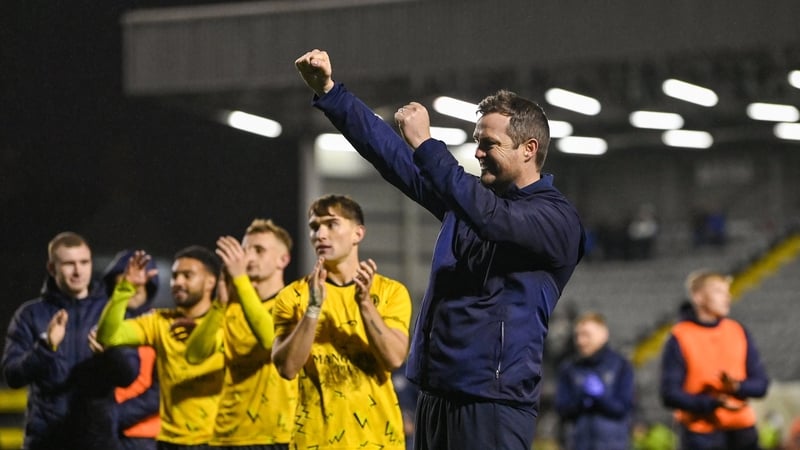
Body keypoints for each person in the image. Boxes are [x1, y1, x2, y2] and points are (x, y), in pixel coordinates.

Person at [294, 50, 585, 450]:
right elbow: (395, 157)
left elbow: (493, 220)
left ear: (529, 148)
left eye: (489, 143)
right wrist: (331, 93)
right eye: (477, 142)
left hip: (492, 402)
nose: (478, 152)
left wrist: (428, 145)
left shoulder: (555, 218)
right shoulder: (468, 202)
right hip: (434, 392)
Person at [271, 194, 412, 450]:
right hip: (314, 442)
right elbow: (287, 368)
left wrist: (365, 304)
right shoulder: (292, 296)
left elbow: (394, 358)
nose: (320, 234)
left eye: (331, 224)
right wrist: (313, 308)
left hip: (379, 440)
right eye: (314, 227)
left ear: (358, 234)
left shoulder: (391, 292)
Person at [1, 232, 139, 450]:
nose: (78, 271)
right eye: (69, 263)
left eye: (84, 262)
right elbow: (13, 376)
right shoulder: (30, 314)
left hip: (97, 441)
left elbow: (129, 374)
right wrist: (46, 347)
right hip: (46, 441)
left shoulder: (110, 311)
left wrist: (108, 353)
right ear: (51, 268)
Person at [97, 246, 226, 450]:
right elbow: (107, 336)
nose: (178, 282)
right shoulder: (159, 322)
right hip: (168, 442)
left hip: (215, 440)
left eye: (187, 275)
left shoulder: (226, 323)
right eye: (175, 276)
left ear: (211, 282)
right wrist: (125, 289)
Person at [185, 219, 297, 449]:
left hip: (276, 437)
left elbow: (270, 339)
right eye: (245, 250)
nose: (249, 258)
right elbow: (194, 355)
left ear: (283, 259)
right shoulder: (233, 308)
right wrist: (218, 304)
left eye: (259, 250)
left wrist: (240, 280)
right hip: (227, 435)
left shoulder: (294, 302)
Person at [660, 269, 770, 450]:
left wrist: (737, 387)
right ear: (698, 297)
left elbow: (761, 384)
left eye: (727, 292)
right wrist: (712, 402)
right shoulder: (680, 336)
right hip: (700, 434)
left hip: (742, 430)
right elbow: (670, 394)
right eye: (718, 292)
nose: (727, 298)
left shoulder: (737, 331)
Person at [101, 250, 162, 450]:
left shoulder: (160, 324)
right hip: (105, 434)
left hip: (144, 436)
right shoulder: (99, 327)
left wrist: (114, 416)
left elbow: (160, 392)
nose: (134, 289)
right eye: (126, 284)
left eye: (139, 284)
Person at [554, 312, 634, 450]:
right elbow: (562, 409)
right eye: (578, 335)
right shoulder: (569, 368)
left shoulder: (621, 365)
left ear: (603, 334)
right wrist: (581, 400)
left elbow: (625, 408)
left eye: (586, 335)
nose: (580, 341)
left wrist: (601, 398)